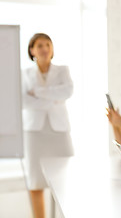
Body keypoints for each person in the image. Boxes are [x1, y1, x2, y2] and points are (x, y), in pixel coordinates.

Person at [22, 33, 74, 218]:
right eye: (39, 45)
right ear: (32, 50)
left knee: (65, 180)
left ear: (52, 49)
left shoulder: (62, 70)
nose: (44, 48)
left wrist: (37, 92)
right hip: (34, 134)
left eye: (47, 44)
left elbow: (67, 91)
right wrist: (53, 99)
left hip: (59, 132)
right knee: (35, 182)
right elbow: (23, 101)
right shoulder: (25, 73)